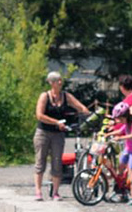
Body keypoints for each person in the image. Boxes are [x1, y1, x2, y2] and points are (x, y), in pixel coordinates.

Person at [33, 71, 90, 200]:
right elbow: (39, 115)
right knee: (40, 161)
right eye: (57, 80)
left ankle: (56, 192)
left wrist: (88, 114)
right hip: (43, 132)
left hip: (58, 134)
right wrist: (56, 122)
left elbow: (80, 107)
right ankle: (38, 191)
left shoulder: (66, 96)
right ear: (51, 83)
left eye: (60, 80)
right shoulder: (44, 96)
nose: (60, 82)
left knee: (57, 162)